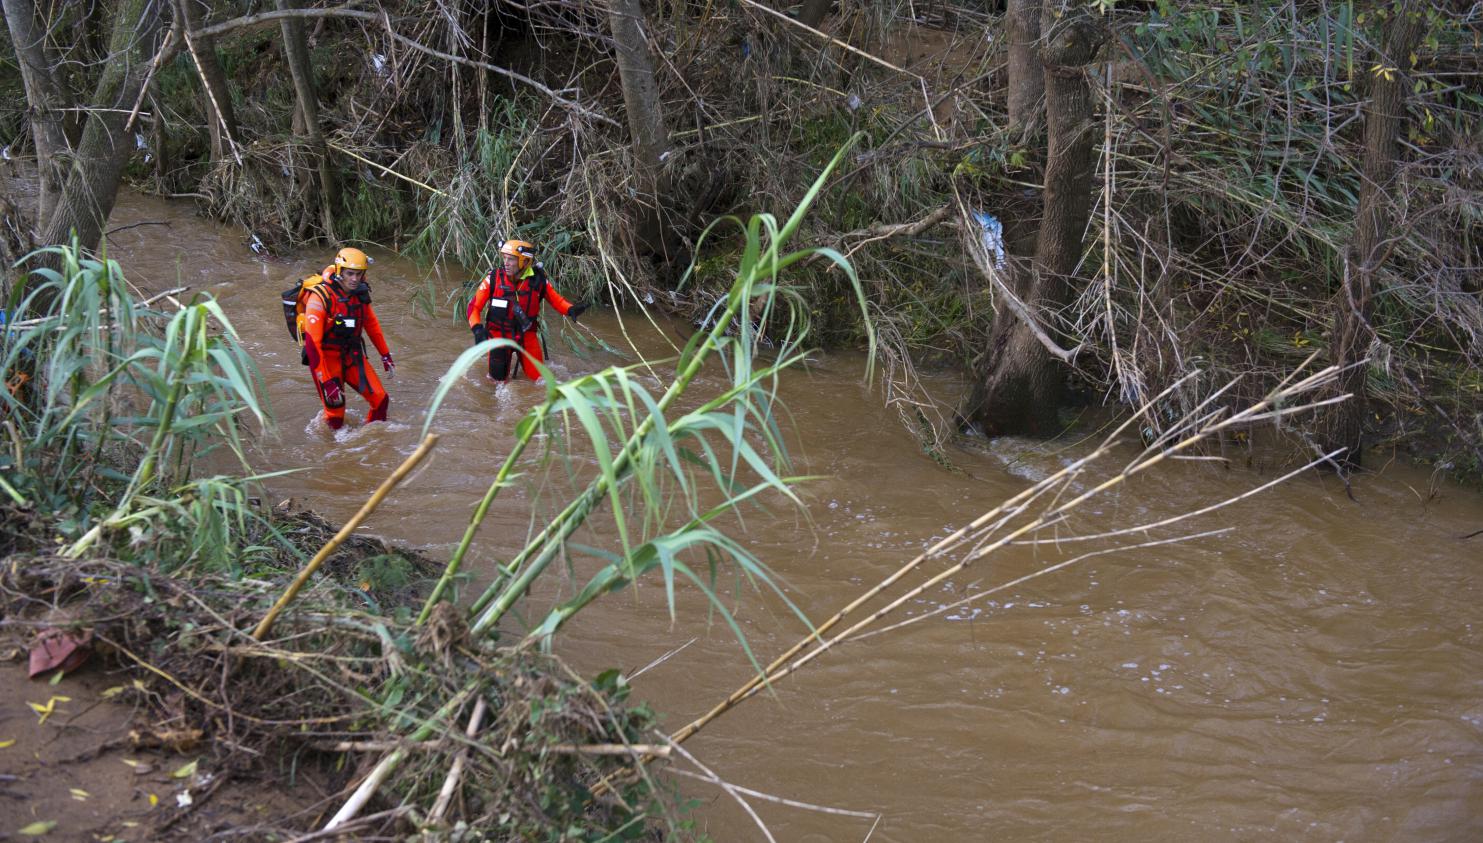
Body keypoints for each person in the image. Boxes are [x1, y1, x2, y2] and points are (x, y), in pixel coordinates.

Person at [466, 239, 587, 382]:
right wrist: (477, 329)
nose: (506, 262)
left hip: (527, 336)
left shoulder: (538, 280)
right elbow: (473, 307)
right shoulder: (493, 278)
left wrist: (571, 309)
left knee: (540, 382)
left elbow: (557, 301)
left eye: (511, 259)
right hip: (498, 337)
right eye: (504, 258)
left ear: (524, 261)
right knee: (496, 383)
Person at [304, 247, 395, 429]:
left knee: (381, 400)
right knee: (336, 417)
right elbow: (312, 345)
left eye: (359, 274)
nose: (354, 279)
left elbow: (372, 325)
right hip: (326, 360)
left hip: (352, 355)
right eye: (350, 274)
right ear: (340, 272)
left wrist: (385, 355)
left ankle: (371, 445)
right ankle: (334, 452)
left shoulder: (360, 294)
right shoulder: (319, 298)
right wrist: (326, 381)